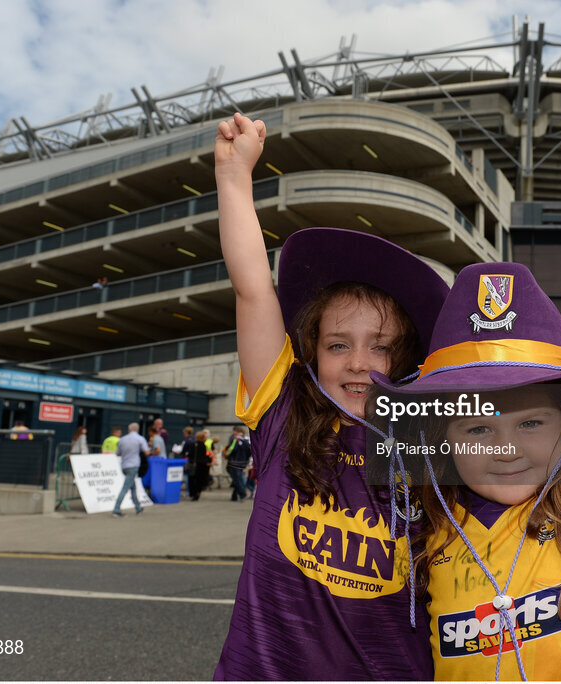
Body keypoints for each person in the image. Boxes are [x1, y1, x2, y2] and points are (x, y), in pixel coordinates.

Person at [373, 172, 561, 680]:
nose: (505, 448)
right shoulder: (426, 531)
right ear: (442, 438)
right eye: (477, 429)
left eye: (532, 422)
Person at [211, 112, 449, 680]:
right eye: (339, 344)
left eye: (381, 347)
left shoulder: (431, 443)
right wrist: (234, 176)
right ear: (311, 351)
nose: (360, 363)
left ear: (408, 358)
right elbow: (251, 287)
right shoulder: (281, 414)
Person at [112, 422, 149, 517]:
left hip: (124, 466)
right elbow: (147, 452)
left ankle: (138, 508)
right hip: (133, 466)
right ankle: (116, 509)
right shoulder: (140, 439)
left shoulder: (122, 439)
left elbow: (118, 453)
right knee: (125, 488)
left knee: (133, 487)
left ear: (129, 430)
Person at [224, 425, 253, 501]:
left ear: (237, 432)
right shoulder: (248, 440)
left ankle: (242, 494)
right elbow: (251, 451)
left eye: (234, 431)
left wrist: (226, 453)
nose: (233, 433)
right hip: (244, 463)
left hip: (234, 463)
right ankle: (234, 497)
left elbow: (232, 449)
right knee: (238, 479)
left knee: (237, 480)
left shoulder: (236, 440)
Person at [186, 428, 210, 501]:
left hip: (194, 464)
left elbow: (190, 454)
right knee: (200, 480)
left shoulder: (194, 444)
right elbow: (204, 456)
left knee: (193, 479)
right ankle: (198, 492)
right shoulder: (204, 445)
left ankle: (194, 493)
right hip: (202, 465)